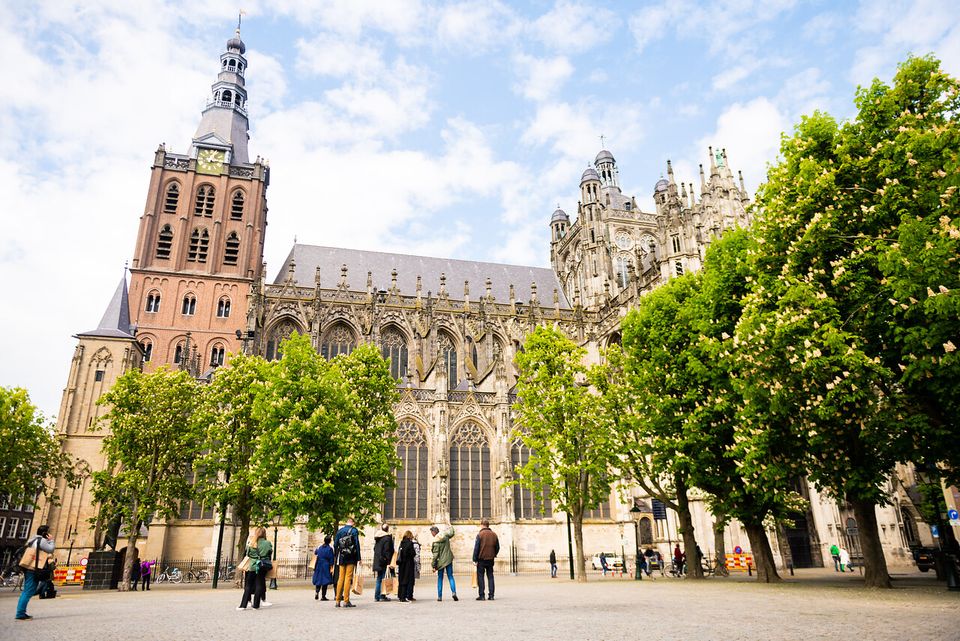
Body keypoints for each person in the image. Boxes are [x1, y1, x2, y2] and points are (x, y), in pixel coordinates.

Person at [16, 524, 55, 621]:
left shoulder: (32, 539)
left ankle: (21, 612)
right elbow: (50, 549)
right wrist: (51, 540)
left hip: (28, 566)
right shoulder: (41, 540)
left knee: (28, 590)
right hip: (33, 568)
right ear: (44, 533)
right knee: (28, 591)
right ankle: (20, 614)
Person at [237, 527, 272, 611]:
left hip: (252, 565)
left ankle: (243, 605)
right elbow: (270, 552)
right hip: (262, 565)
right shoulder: (267, 543)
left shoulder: (251, 543)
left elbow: (247, 554)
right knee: (259, 584)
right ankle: (256, 605)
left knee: (248, 585)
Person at [334, 517, 361, 608]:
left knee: (340, 578)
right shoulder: (354, 531)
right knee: (348, 578)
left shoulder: (340, 531)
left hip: (342, 557)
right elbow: (357, 544)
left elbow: (335, 544)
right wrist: (358, 558)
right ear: (352, 522)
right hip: (351, 557)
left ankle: (337, 600)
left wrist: (336, 554)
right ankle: (346, 600)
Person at [473, 519, 499, 601]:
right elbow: (498, 547)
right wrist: (494, 554)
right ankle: (491, 595)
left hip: (481, 559)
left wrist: (474, 559)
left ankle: (482, 595)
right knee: (490, 576)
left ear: (482, 525)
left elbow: (476, 548)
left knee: (480, 577)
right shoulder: (494, 535)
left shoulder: (480, 534)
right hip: (490, 559)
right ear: (488, 525)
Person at [430, 525, 457, 602]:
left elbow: (435, 555)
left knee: (440, 578)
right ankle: (454, 592)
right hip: (448, 560)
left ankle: (439, 596)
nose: (431, 534)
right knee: (450, 576)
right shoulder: (445, 536)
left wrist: (433, 565)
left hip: (440, 562)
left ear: (434, 532)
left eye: (431, 532)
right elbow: (451, 533)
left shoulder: (436, 542)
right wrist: (450, 527)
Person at [372, 523, 396, 602]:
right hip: (384, 561)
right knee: (383, 578)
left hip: (378, 561)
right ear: (387, 529)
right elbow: (387, 551)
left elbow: (375, 549)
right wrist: (389, 561)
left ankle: (377, 596)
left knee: (379, 579)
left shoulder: (378, 538)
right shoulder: (387, 538)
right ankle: (382, 595)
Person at [397, 530, 417, 602]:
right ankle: (404, 597)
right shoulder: (410, 543)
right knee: (408, 580)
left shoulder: (401, 543)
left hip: (401, 564)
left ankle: (401, 596)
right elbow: (413, 553)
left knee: (402, 579)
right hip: (408, 564)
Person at [312, 536, 334, 601]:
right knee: (325, 581)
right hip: (326, 565)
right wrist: (331, 566)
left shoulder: (319, 547)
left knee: (318, 579)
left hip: (318, 564)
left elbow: (315, 553)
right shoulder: (330, 549)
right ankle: (323, 596)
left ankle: (317, 591)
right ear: (330, 541)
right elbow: (331, 558)